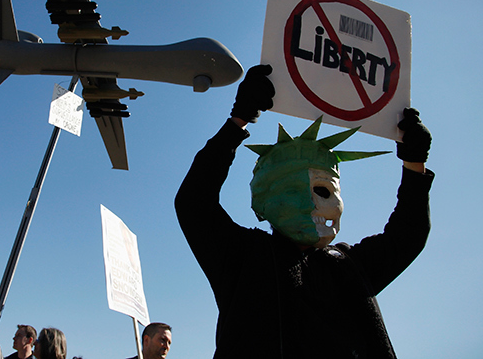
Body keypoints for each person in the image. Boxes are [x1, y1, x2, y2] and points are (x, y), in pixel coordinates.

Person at [175, 65, 434, 358]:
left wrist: (415, 164)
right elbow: (194, 202)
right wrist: (238, 121)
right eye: (318, 191)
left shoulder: (349, 264)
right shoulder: (243, 257)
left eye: (332, 191)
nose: (331, 205)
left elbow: (407, 236)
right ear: (265, 200)